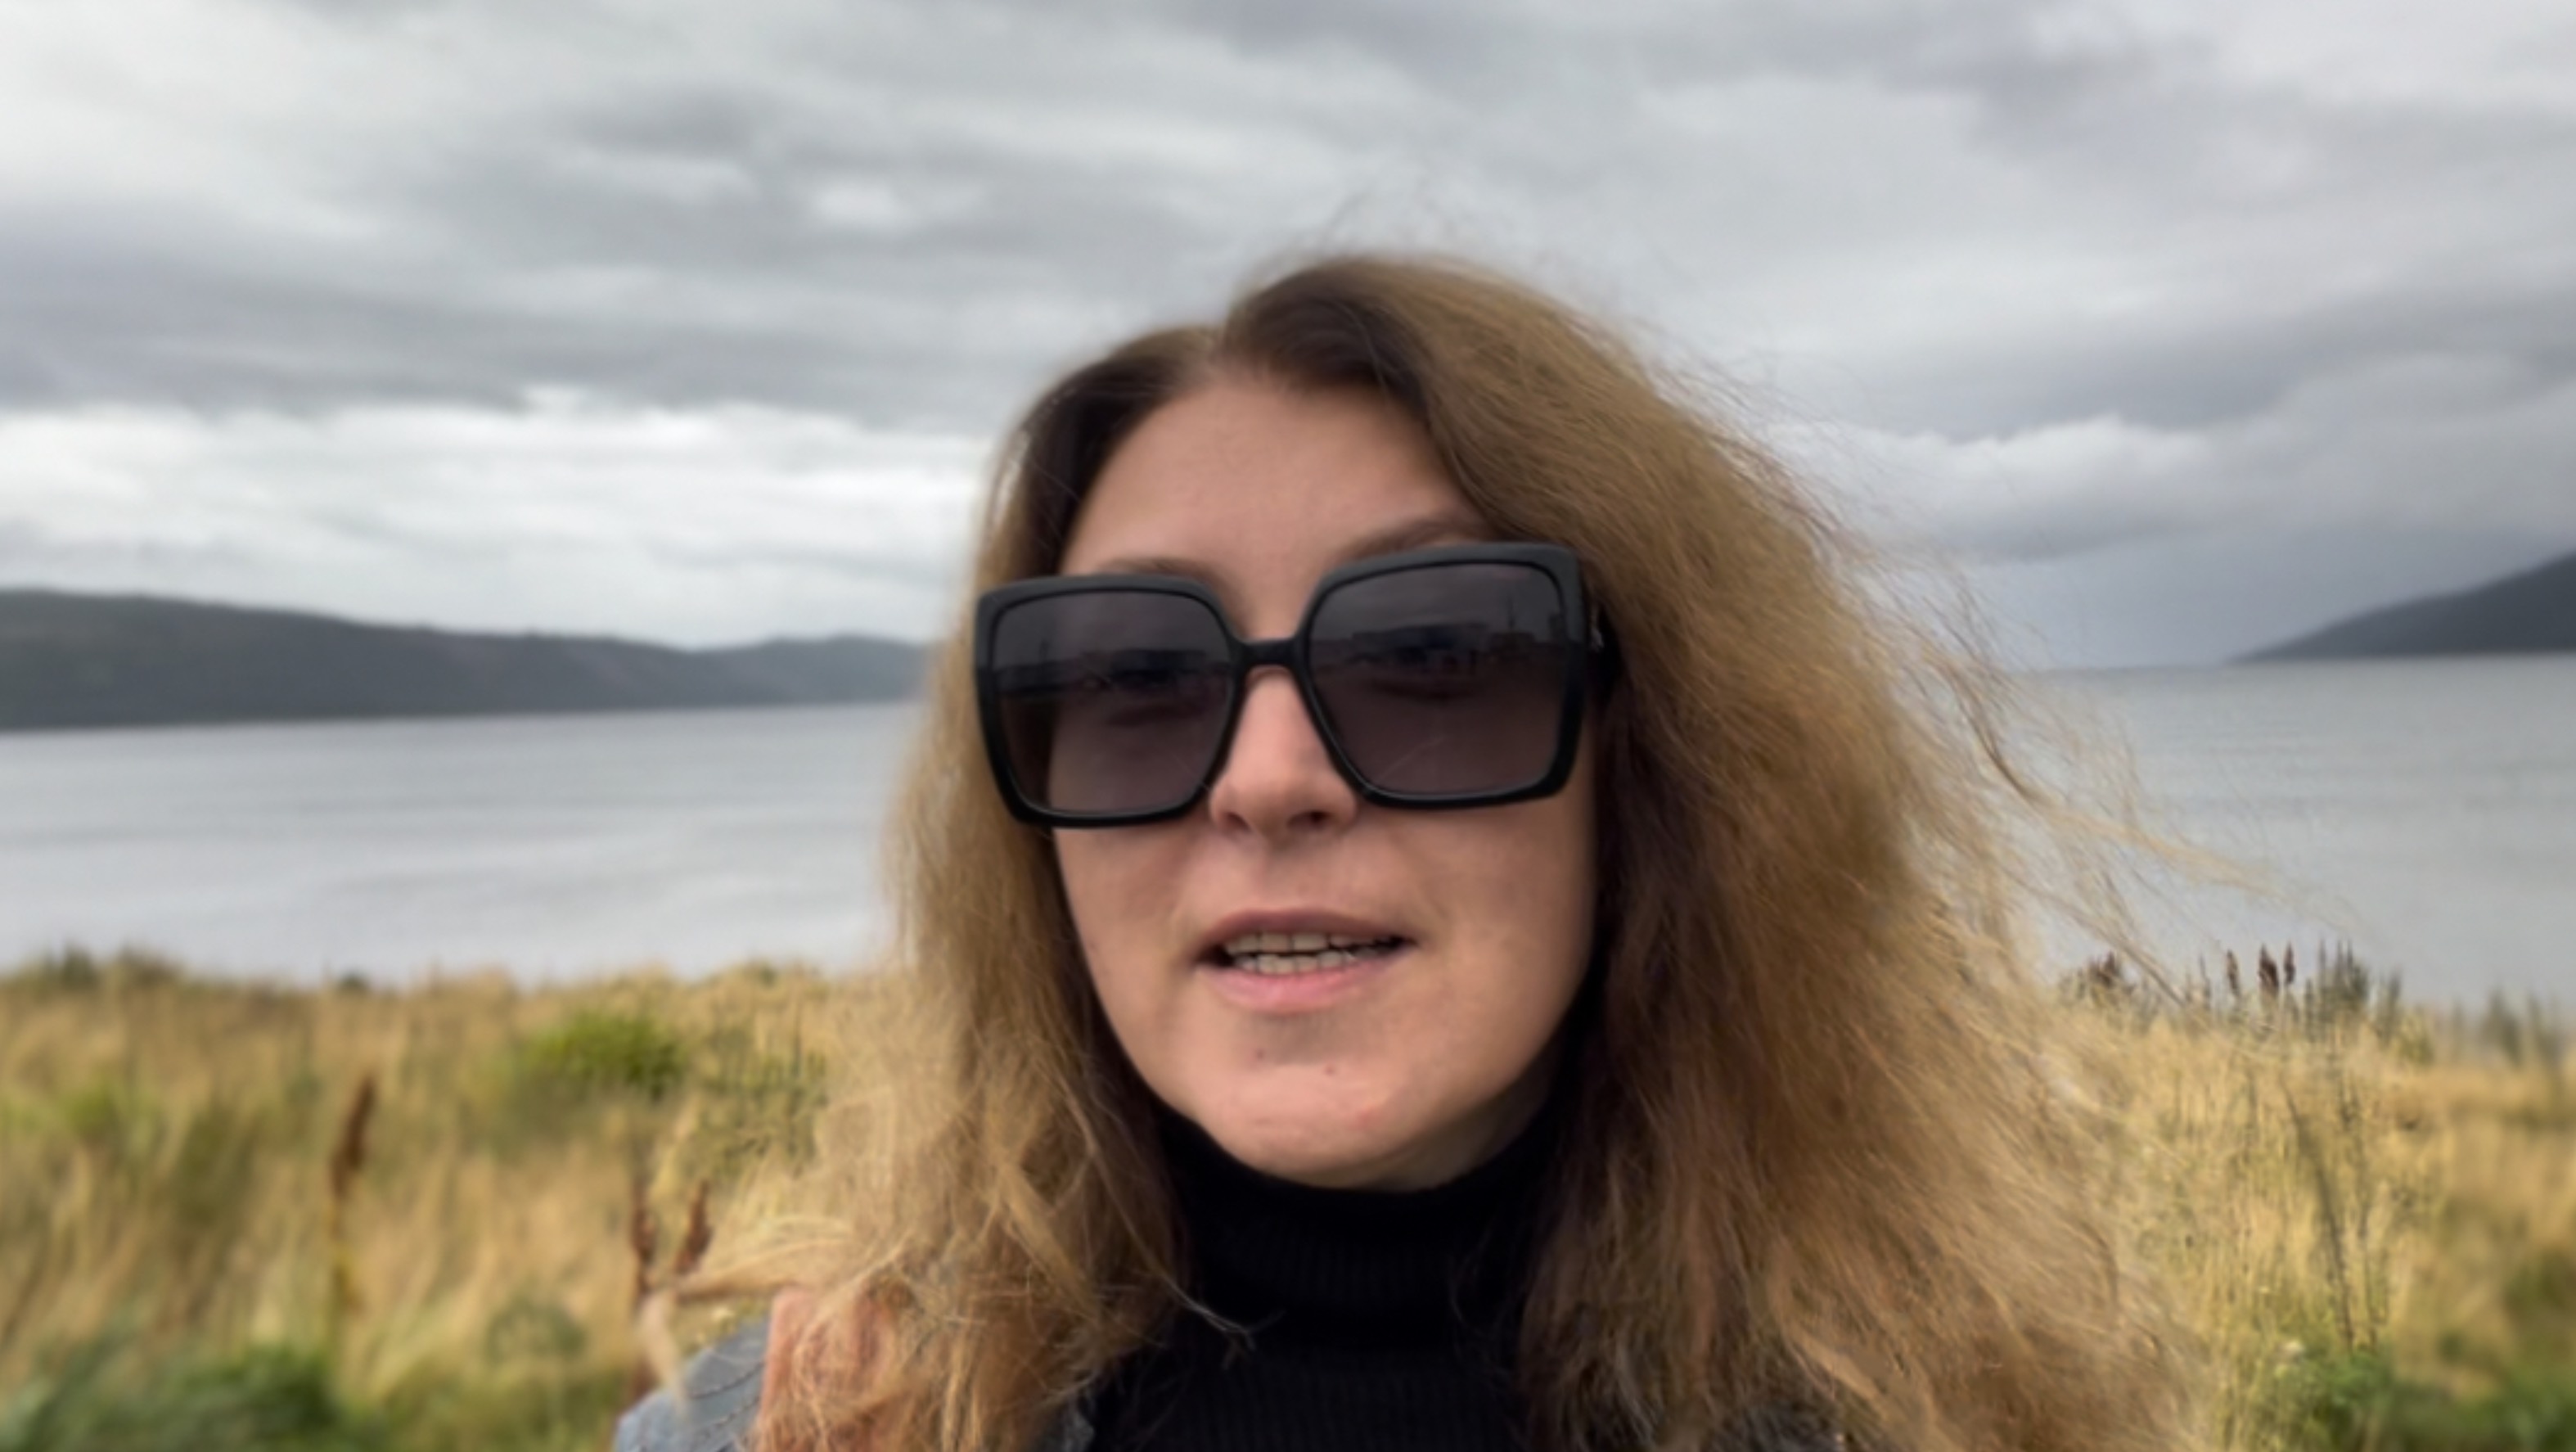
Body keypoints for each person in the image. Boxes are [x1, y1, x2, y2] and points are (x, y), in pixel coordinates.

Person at [617, 255, 2186, 1452]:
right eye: (1136, 674)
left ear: (1655, 759)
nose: (1268, 779)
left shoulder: (1929, 1418)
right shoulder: (802, 1428)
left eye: (1435, 651)